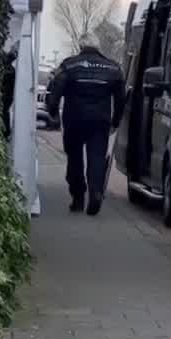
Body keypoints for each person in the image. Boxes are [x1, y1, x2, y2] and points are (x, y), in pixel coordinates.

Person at [44, 43, 126, 216]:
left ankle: (78, 198)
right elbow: (120, 99)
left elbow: (55, 89)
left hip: (74, 119)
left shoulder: (69, 65)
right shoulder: (113, 67)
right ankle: (96, 192)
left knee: (74, 158)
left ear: (82, 47)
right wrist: (115, 121)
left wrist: (53, 113)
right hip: (100, 121)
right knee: (97, 157)